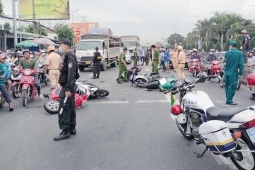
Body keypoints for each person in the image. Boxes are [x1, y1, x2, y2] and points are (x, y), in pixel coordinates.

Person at [54, 38, 79, 141]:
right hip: (70, 86)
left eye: (61, 45)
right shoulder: (70, 56)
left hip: (68, 87)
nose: (60, 47)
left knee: (64, 108)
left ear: (66, 46)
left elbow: (71, 74)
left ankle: (65, 131)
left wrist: (68, 88)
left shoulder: (69, 58)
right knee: (70, 107)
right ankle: (72, 128)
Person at [224, 41, 244, 105]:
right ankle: (229, 100)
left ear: (231, 46)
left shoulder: (227, 53)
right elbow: (241, 64)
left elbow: (226, 62)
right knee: (232, 86)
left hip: (226, 72)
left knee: (227, 86)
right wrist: (241, 73)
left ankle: (228, 99)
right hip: (233, 73)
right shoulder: (239, 53)